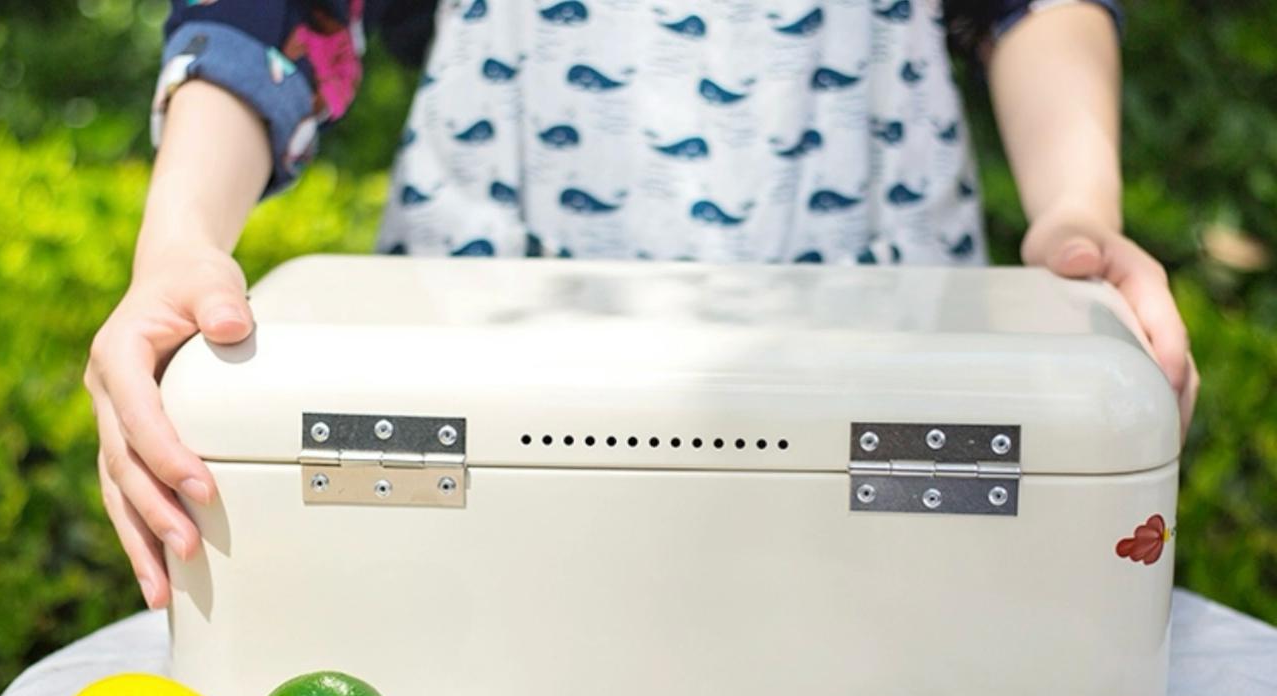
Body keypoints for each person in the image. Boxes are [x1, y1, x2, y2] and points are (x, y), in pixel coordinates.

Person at [85, 0, 1199, 610]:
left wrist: (1076, 213)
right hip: (486, 301)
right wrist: (178, 240)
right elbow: (275, 12)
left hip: (879, 303)